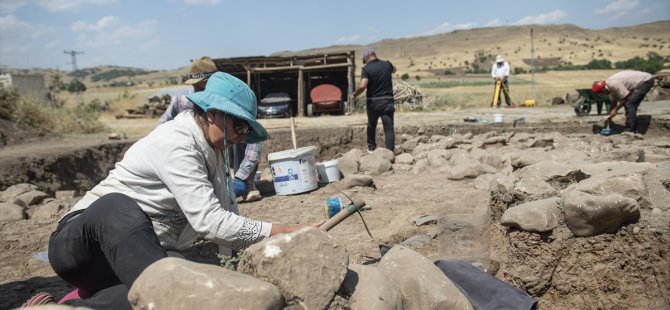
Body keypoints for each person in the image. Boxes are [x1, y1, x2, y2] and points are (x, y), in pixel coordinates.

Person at [42, 72, 322, 309]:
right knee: (117, 207)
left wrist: (237, 271)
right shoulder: (178, 143)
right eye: (239, 126)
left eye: (247, 131)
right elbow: (211, 222)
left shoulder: (215, 150)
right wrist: (286, 230)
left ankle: (68, 307)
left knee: (182, 280)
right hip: (81, 246)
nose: (241, 137)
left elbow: (227, 213)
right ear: (212, 115)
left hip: (128, 259)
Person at [157, 56, 262, 202]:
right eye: (196, 87)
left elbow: (254, 142)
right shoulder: (181, 100)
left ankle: (245, 185)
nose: (198, 91)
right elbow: (161, 127)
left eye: (203, 87)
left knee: (234, 134)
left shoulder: (232, 101)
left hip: (229, 161)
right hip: (199, 160)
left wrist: (242, 177)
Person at [350, 49, 396, 153]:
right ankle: (390, 151)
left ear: (367, 57)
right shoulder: (387, 64)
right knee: (388, 128)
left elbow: (362, 86)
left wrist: (354, 94)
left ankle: (371, 148)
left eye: (364, 60)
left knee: (371, 125)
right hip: (387, 101)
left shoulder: (366, 69)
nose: (365, 62)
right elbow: (394, 70)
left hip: (373, 103)